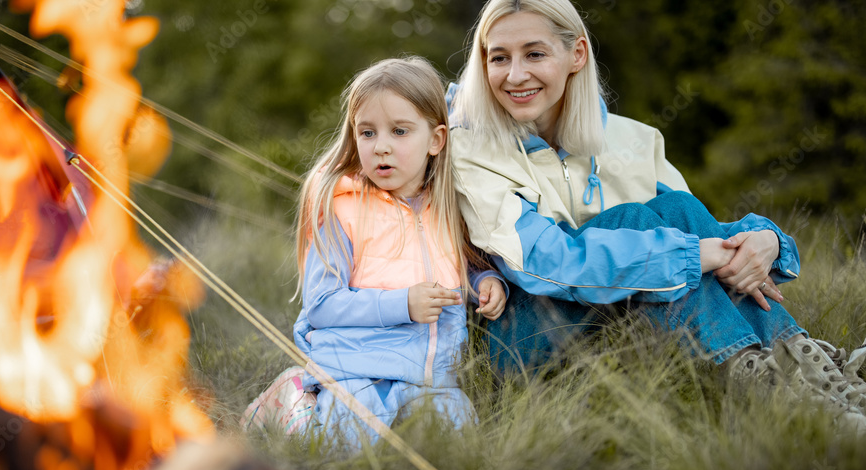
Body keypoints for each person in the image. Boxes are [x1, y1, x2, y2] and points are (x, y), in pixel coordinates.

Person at [447, 0, 866, 421]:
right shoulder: (469, 147)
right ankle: (775, 392)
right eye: (498, 58)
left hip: (624, 329)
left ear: (576, 54)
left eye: (534, 54)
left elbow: (702, 233)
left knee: (678, 207)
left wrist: (767, 241)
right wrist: (684, 257)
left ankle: (816, 374)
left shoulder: (635, 140)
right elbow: (542, 263)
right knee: (639, 224)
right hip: (521, 337)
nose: (515, 75)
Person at [245, 57, 507, 446]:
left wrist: (486, 280)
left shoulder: (449, 206)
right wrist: (402, 304)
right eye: (367, 133)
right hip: (354, 369)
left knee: (457, 437)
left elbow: (460, 263)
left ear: (436, 140)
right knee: (345, 443)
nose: (381, 147)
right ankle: (296, 402)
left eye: (399, 131)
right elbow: (321, 303)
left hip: (430, 375)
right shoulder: (342, 207)